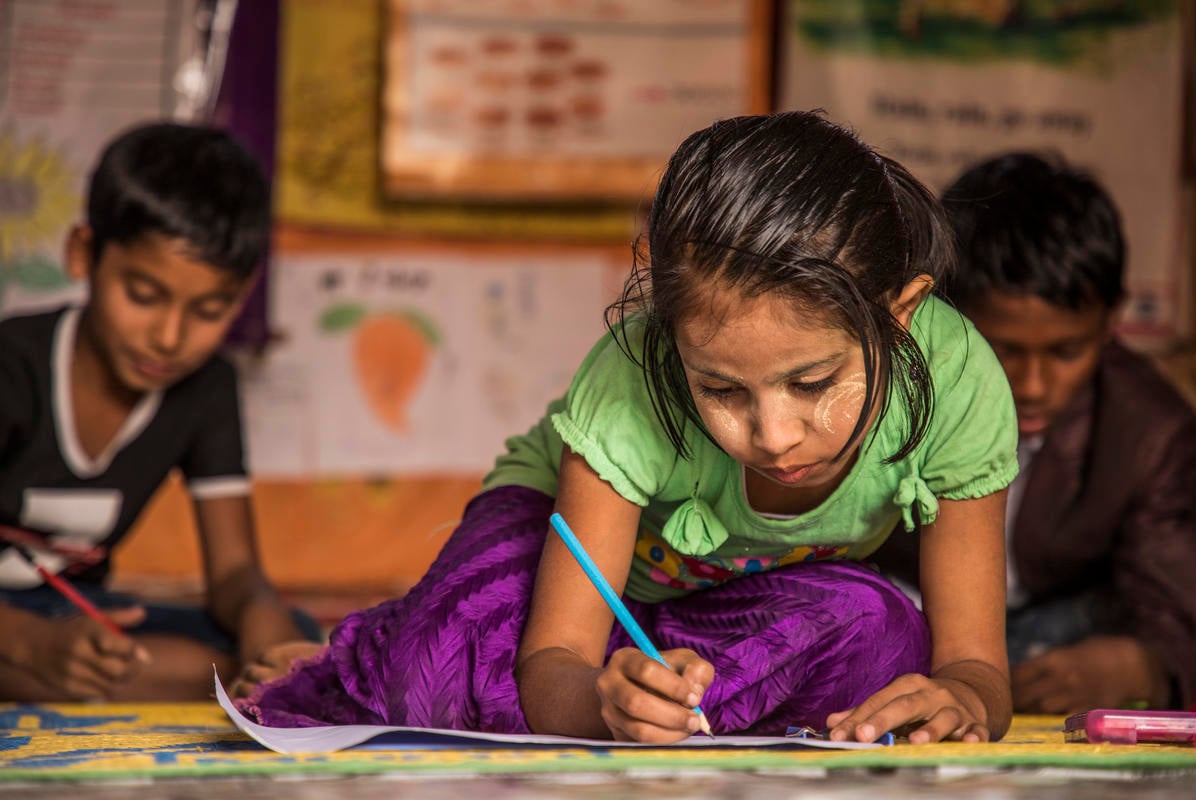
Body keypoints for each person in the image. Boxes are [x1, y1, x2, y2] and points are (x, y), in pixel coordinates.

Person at [239, 110, 1018, 744]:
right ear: (668, 337)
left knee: (886, 641)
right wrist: (598, 706)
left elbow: (976, 669)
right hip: (560, 578)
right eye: (719, 388)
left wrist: (963, 701)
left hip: (720, 619)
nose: (773, 435)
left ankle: (646, 694)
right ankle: (361, 659)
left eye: (812, 383)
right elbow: (558, 654)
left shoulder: (955, 385)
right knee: (432, 670)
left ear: (900, 315)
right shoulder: (626, 382)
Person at [0, 121, 320, 702]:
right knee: (198, 669)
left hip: (85, 617)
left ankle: (60, 676)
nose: (169, 337)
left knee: (290, 637)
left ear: (242, 296)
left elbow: (232, 573)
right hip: (15, 624)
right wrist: (27, 643)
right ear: (83, 254)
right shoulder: (12, 366)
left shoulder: (207, 386)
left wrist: (262, 626)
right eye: (143, 296)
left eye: (208, 309)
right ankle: (44, 671)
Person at [871, 152, 1196, 713]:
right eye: (1003, 350)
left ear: (1110, 321)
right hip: (912, 616)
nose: (1032, 384)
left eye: (1067, 351)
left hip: (1046, 643)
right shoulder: (882, 389)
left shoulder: (1151, 433)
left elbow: (1177, 607)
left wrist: (1143, 666)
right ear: (940, 314)